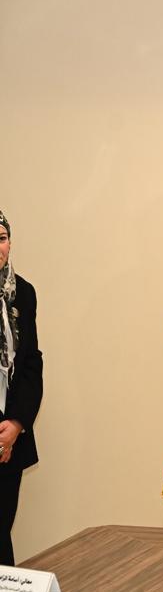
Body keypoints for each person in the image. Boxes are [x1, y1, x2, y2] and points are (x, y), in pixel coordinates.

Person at [0, 210, 42, 566]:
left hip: (8, 439)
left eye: (1, 238)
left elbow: (30, 362)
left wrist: (15, 425)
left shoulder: (22, 293)